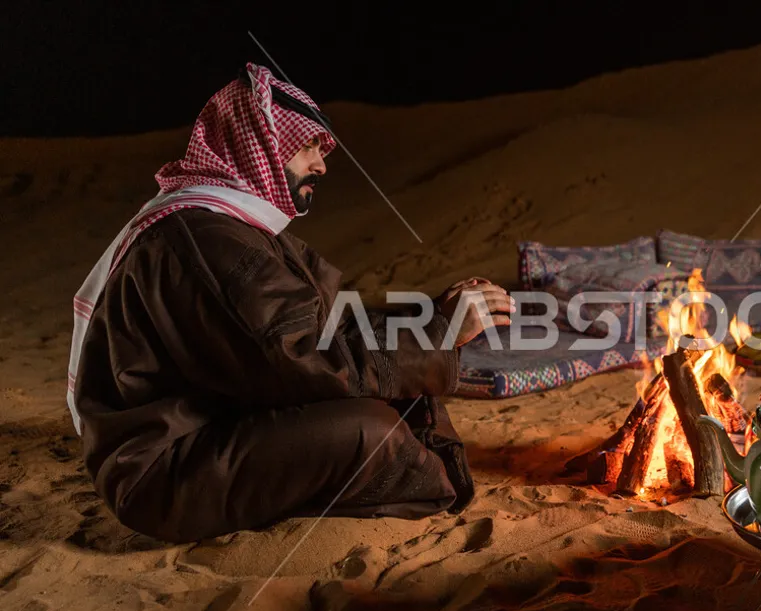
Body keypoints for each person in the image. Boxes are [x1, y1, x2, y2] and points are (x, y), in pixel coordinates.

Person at [66, 63, 514, 544]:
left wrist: (433, 312)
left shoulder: (234, 229)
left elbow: (332, 321)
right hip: (163, 470)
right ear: (256, 148)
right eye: (306, 149)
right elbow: (300, 357)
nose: (320, 165)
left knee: (383, 405)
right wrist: (439, 335)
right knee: (368, 430)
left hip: (211, 429)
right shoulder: (204, 238)